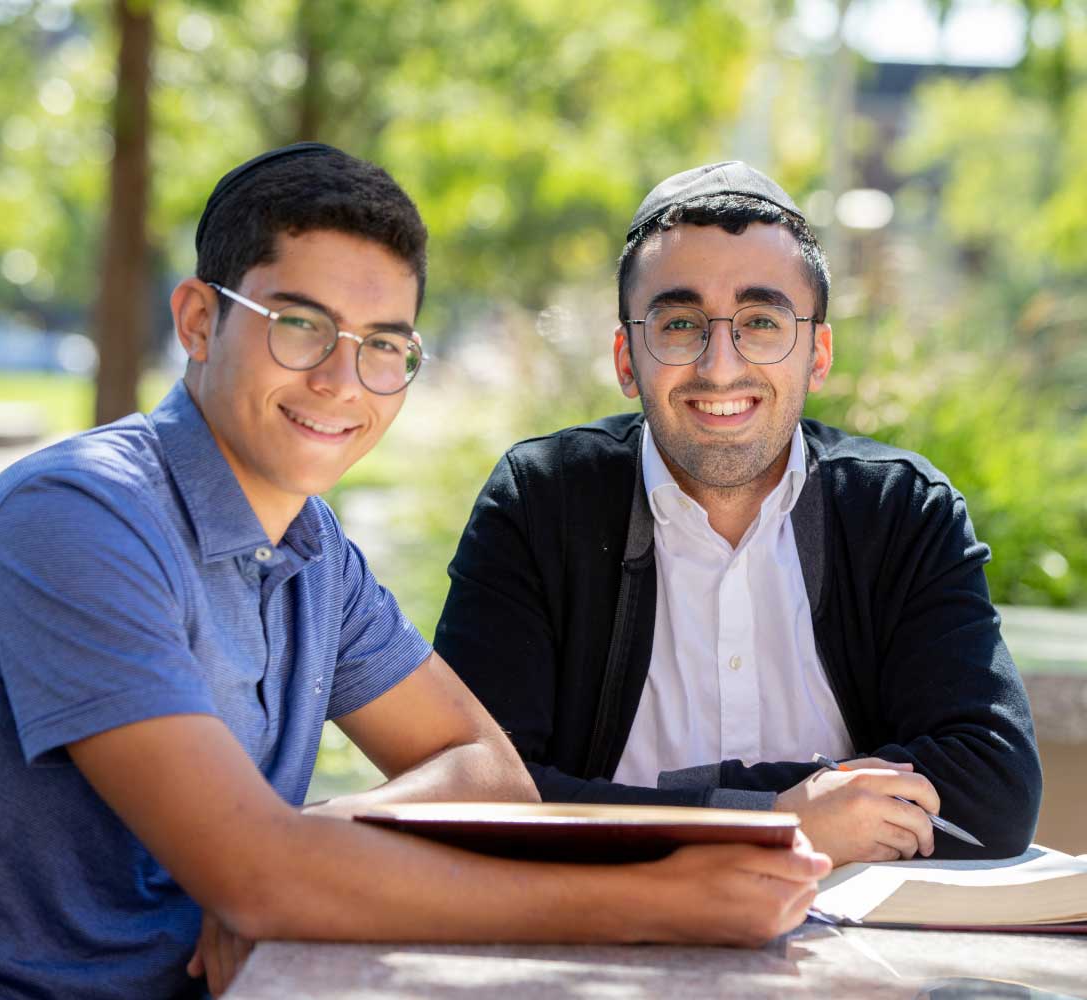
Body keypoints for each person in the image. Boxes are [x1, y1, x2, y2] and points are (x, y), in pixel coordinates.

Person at [0, 146, 831, 1000]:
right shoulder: (78, 521)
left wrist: (297, 849)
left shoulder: (313, 552)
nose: (343, 381)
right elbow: (262, 876)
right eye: (300, 325)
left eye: (383, 345)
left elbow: (487, 775)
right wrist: (655, 904)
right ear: (199, 319)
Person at [435, 161, 1042, 868]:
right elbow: (476, 795)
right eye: (680, 323)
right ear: (627, 357)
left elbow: (994, 787)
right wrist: (776, 820)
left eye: (760, 323)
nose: (720, 367)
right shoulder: (541, 502)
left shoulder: (900, 511)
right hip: (605, 942)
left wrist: (654, 809)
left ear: (817, 354)